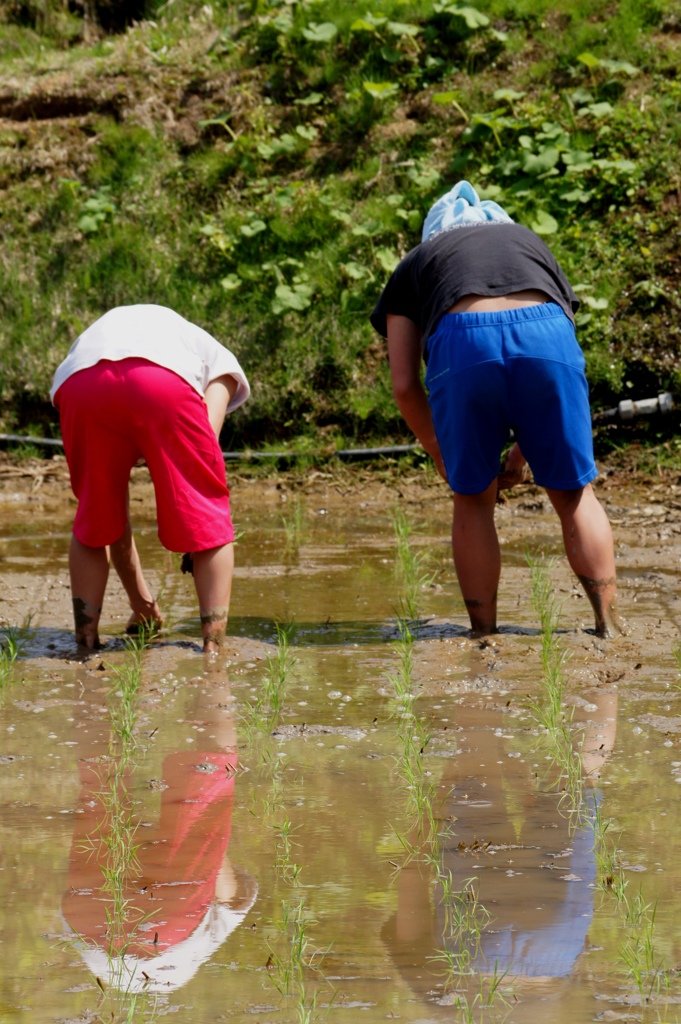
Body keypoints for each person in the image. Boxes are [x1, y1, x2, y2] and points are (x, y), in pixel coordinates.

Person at [370, 181, 620, 636]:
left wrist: (440, 451)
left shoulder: (417, 262)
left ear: (434, 235)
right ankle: (607, 625)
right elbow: (545, 350)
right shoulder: (528, 241)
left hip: (464, 343)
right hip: (547, 336)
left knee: (473, 498)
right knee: (572, 494)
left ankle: (484, 635)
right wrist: (523, 455)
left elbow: (405, 385)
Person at [51, 303, 250, 652]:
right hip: (160, 380)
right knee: (207, 510)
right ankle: (214, 646)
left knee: (96, 515)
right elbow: (205, 456)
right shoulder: (224, 369)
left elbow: (116, 526)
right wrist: (197, 535)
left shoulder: (151, 333)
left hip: (80, 385)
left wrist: (142, 605)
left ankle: (85, 641)